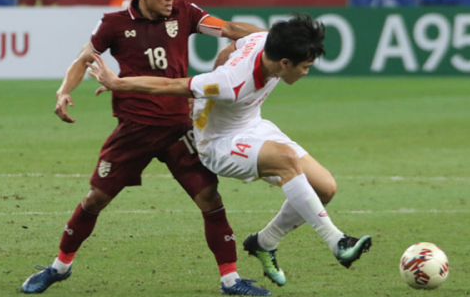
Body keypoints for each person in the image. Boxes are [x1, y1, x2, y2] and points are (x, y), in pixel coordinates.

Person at [21, 0, 271, 297]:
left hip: (179, 129)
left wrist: (272, 38)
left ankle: (231, 280)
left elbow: (227, 29)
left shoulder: (186, 14)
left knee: (210, 198)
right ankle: (59, 267)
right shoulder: (113, 24)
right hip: (134, 131)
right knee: (95, 199)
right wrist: (64, 91)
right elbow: (84, 59)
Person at [86, 15, 373, 282]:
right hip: (219, 143)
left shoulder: (266, 40)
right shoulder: (231, 82)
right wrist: (118, 83)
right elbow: (170, 85)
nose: (307, 72)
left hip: (252, 125)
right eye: (305, 67)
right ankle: (337, 242)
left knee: (325, 188)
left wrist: (219, 68)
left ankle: (264, 242)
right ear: (285, 63)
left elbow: (234, 38)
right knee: (286, 160)